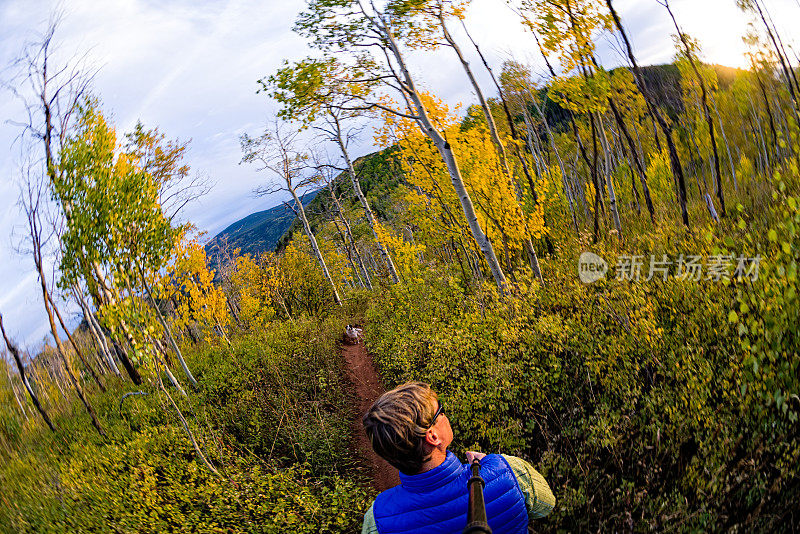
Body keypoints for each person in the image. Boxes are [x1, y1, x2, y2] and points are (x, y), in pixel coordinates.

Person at [361, 381, 555, 534]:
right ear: (433, 436)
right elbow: (546, 505)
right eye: (440, 411)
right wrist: (493, 467)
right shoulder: (510, 471)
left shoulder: (378, 519)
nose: (445, 415)